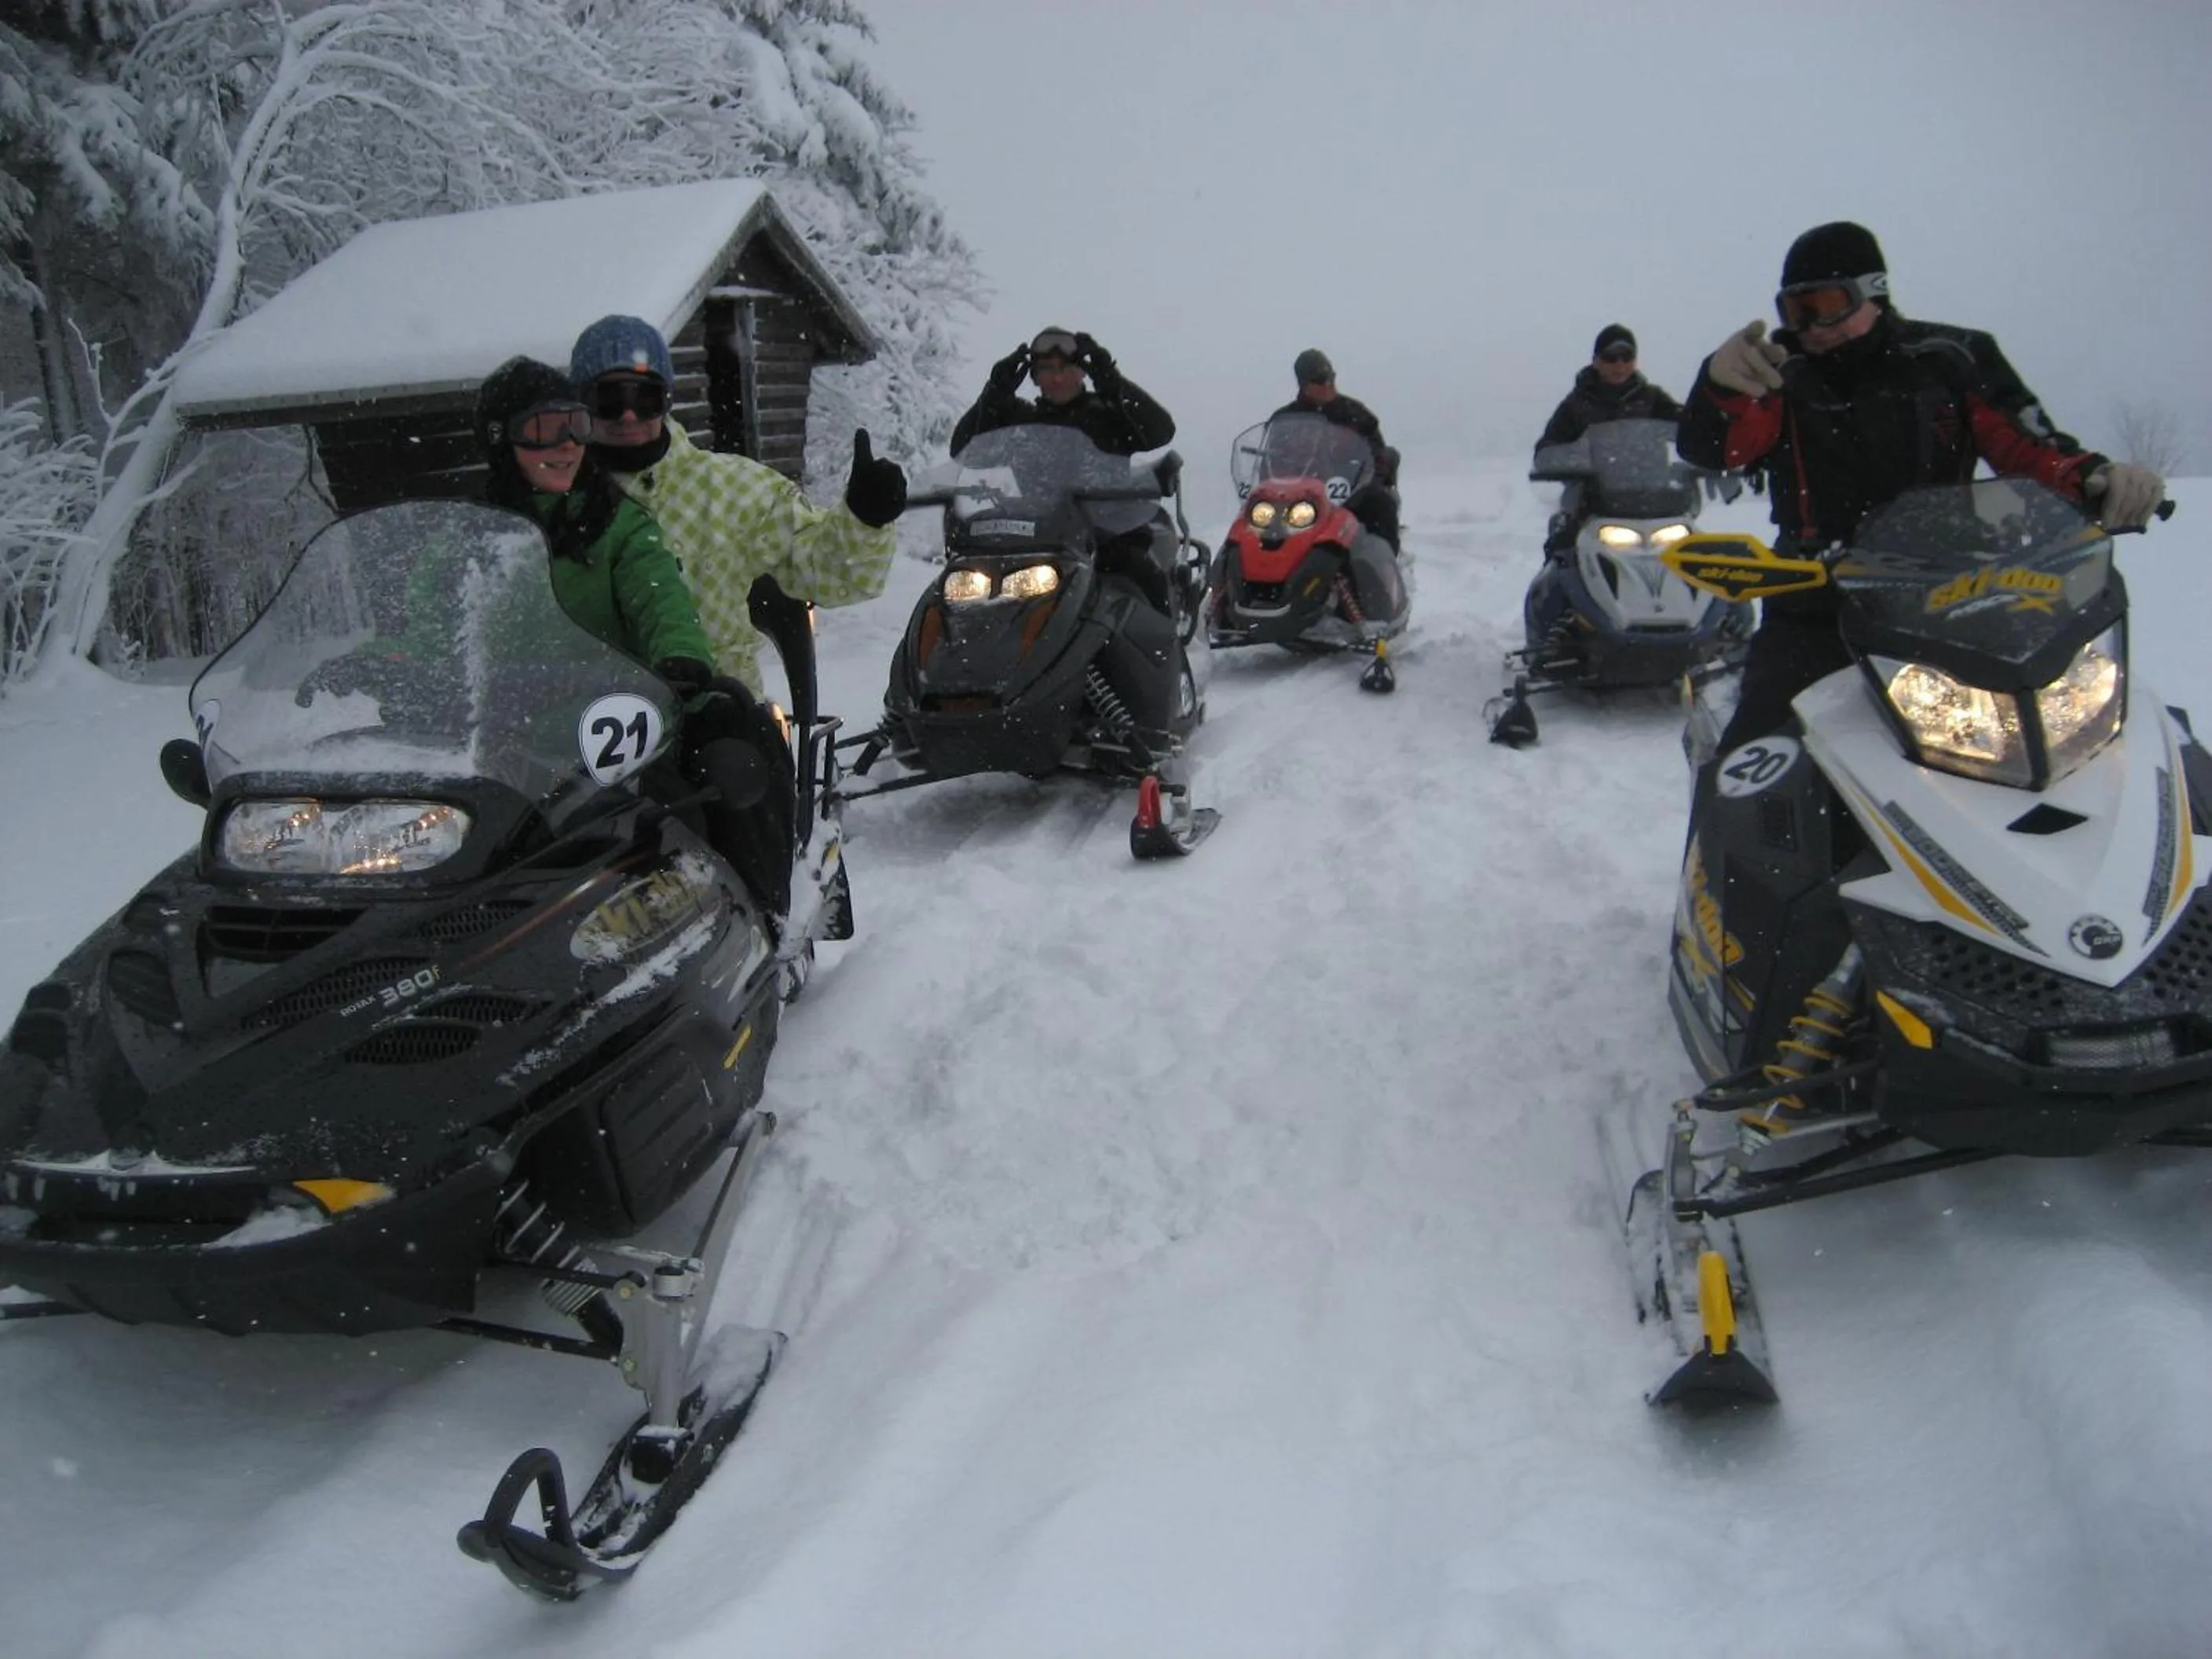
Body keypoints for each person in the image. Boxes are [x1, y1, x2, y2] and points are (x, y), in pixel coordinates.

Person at [1679, 220, 2166, 756]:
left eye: (1827, 303)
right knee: (1757, 756)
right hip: (1816, 597)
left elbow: (2028, 446)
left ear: (1873, 293)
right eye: (1797, 311)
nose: (1814, 326)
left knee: (2080, 726)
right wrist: (1719, 388)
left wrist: (2092, 478)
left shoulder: (1950, 359)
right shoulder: (1779, 375)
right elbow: (1716, 448)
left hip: (1959, 590)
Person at [474, 355, 796, 918]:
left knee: (700, 782)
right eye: (545, 429)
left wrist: (679, 656)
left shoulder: (617, 523)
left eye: (575, 424)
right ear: (502, 440)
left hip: (609, 728)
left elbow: (660, 598)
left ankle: (754, 913)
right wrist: (383, 662)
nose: (568, 444)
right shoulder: (472, 539)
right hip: (506, 736)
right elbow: (429, 623)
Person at [566, 313, 905, 698]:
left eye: (645, 398)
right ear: (581, 405)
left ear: (667, 401)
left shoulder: (734, 490)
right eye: (609, 399)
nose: (628, 415)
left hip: (719, 712)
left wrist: (865, 518)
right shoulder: (556, 500)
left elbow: (832, 574)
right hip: (587, 718)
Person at [1533, 324, 1683, 558]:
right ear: (1596, 361)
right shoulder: (1577, 405)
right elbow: (1546, 450)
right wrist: (1575, 464)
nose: (1620, 365)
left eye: (1627, 357)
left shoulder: (1652, 399)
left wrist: (1698, 464)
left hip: (1656, 504)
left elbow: (1689, 430)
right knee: (1563, 556)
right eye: (1611, 358)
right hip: (1593, 506)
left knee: (1698, 560)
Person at [950, 325, 1174, 456]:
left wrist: (1114, 385)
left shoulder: (1110, 414)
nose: (1058, 377)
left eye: (1066, 367)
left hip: (1107, 533)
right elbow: (962, 451)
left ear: (1084, 371)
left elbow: (1161, 431)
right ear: (1035, 377)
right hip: (1029, 533)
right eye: (1047, 369)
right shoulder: (1020, 420)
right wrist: (993, 396)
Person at [1273, 348, 1401, 551]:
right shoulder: (1284, 420)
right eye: (1321, 379)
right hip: (1300, 496)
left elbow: (1377, 452)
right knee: (1255, 518)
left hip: (1348, 493)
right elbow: (1270, 462)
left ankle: (1383, 570)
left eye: (1331, 377)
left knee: (1380, 503)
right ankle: (1233, 575)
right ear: (1304, 384)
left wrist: (1373, 477)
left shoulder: (1355, 414)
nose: (1329, 384)